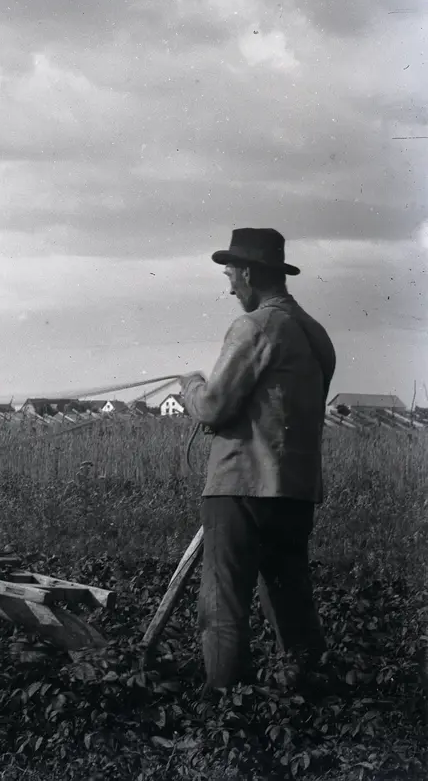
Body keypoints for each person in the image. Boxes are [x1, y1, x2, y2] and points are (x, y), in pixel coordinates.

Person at [178, 228, 337, 695]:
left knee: (222, 604)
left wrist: (190, 386)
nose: (230, 287)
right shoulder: (316, 334)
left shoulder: (253, 327)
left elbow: (213, 407)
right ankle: (310, 692)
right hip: (296, 491)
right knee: (290, 597)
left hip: (240, 487)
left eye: (230, 275)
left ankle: (222, 705)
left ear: (247, 273)